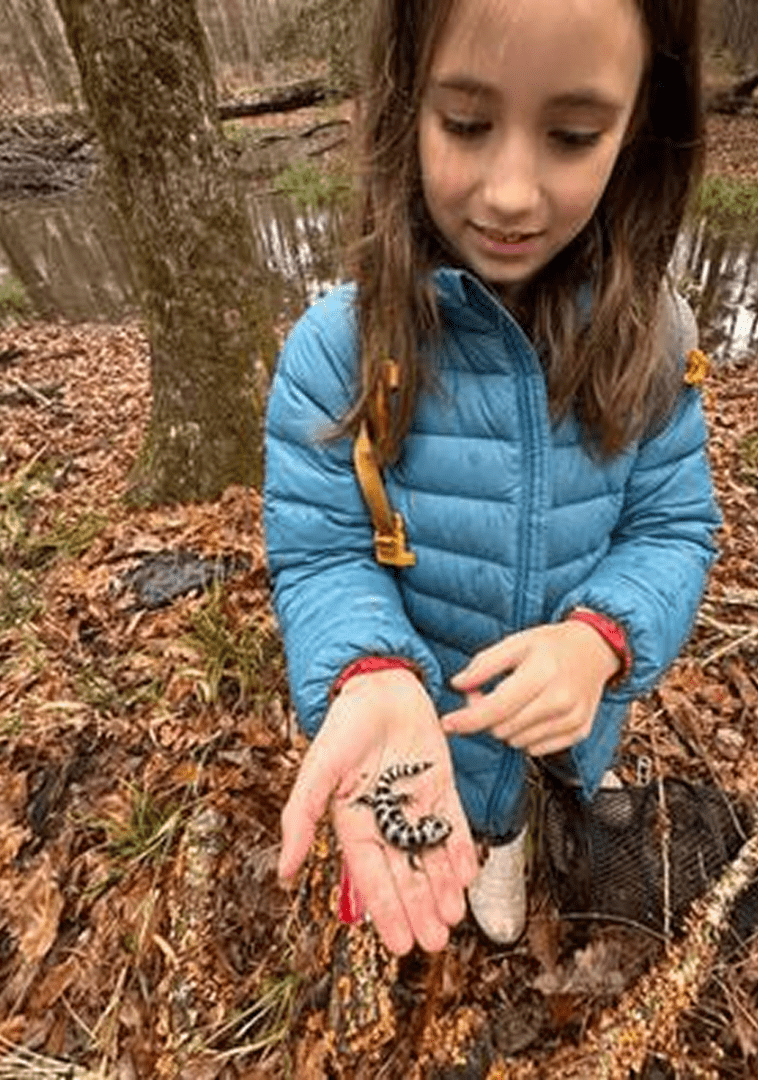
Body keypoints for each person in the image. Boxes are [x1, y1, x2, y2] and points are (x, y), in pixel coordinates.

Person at [264, 0, 720, 956]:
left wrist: (603, 640)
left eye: (572, 134)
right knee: (455, 808)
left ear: (639, 129)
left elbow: (674, 530)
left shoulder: (653, 340)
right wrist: (370, 672)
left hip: (561, 726)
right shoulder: (333, 353)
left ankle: (507, 842)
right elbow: (321, 555)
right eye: (467, 124)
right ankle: (473, 836)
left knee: (513, 809)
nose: (512, 193)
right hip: (422, 726)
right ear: (401, 110)